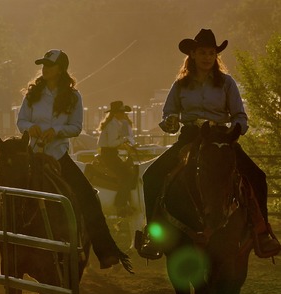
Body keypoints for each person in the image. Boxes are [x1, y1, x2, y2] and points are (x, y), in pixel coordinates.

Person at [138, 29, 281, 259]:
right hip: (191, 136)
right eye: (203, 52)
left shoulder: (227, 83)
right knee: (151, 176)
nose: (207, 57)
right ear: (192, 55)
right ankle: (153, 234)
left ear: (216, 56)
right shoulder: (181, 85)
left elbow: (239, 116)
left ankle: (262, 232)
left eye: (211, 53)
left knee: (257, 176)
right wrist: (171, 122)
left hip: (221, 139)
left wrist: (236, 130)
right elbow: (168, 115)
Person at [15, 49, 129, 270]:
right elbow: (21, 122)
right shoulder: (31, 94)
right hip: (32, 154)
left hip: (57, 156)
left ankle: (105, 251)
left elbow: (76, 127)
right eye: (43, 65)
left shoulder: (73, 96)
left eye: (49, 65)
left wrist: (55, 131)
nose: (44, 68)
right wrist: (32, 128)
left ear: (61, 69)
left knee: (87, 196)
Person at [97, 100, 136, 217]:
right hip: (109, 155)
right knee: (127, 175)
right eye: (121, 112)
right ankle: (121, 204)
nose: (123, 114)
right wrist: (125, 140)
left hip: (110, 153)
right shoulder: (112, 125)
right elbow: (112, 143)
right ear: (116, 113)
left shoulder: (114, 124)